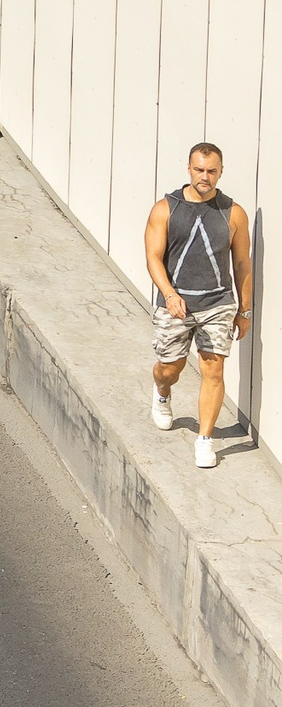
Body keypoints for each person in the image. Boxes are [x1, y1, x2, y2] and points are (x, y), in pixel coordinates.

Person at [147, 142, 254, 469]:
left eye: (211, 171)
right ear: (189, 168)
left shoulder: (233, 213)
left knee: (214, 369)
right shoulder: (166, 208)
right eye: (199, 169)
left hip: (218, 303)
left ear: (221, 172)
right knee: (171, 367)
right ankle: (162, 391)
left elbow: (242, 264)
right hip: (175, 304)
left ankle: (205, 440)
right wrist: (169, 294)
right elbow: (153, 258)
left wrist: (244, 310)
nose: (204, 176)